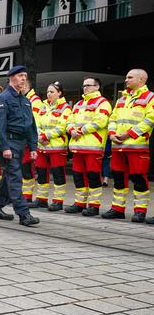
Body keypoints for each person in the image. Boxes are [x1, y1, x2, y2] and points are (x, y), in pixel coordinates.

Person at [0, 66, 40, 226]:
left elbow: (31, 126)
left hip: (21, 143)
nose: (23, 79)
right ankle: (24, 214)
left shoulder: (25, 100)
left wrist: (33, 147)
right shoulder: (3, 99)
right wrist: (4, 147)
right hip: (10, 143)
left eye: (25, 76)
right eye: (20, 76)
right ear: (11, 78)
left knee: (9, 178)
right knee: (15, 178)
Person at [105, 69, 154, 223]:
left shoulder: (150, 97)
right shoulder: (121, 99)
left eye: (129, 77)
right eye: (126, 77)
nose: (126, 80)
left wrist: (129, 134)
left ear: (142, 79)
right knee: (118, 178)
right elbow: (112, 118)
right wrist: (111, 133)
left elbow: (149, 120)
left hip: (136, 146)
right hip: (118, 146)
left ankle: (140, 211)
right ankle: (117, 209)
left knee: (138, 178)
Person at [65, 77, 111, 216]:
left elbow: (101, 122)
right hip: (78, 147)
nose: (85, 88)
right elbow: (69, 121)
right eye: (84, 85)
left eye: (88, 85)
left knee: (93, 177)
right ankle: (79, 204)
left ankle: (94, 205)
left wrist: (79, 131)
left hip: (93, 147)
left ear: (97, 87)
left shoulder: (103, 103)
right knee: (78, 177)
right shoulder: (78, 104)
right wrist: (71, 130)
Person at [33, 82, 72, 211]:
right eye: (48, 92)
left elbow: (61, 127)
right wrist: (39, 136)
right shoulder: (44, 107)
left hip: (57, 148)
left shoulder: (66, 108)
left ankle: (58, 201)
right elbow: (37, 123)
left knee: (58, 175)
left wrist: (44, 136)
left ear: (59, 93)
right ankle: (41, 200)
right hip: (42, 147)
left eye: (52, 92)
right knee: (42, 174)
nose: (49, 94)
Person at [22, 81, 44, 204]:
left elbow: (31, 121)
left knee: (28, 170)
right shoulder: (23, 98)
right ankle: (24, 196)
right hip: (21, 141)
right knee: (23, 170)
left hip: (27, 141)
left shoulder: (35, 101)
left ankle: (27, 197)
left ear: (26, 86)